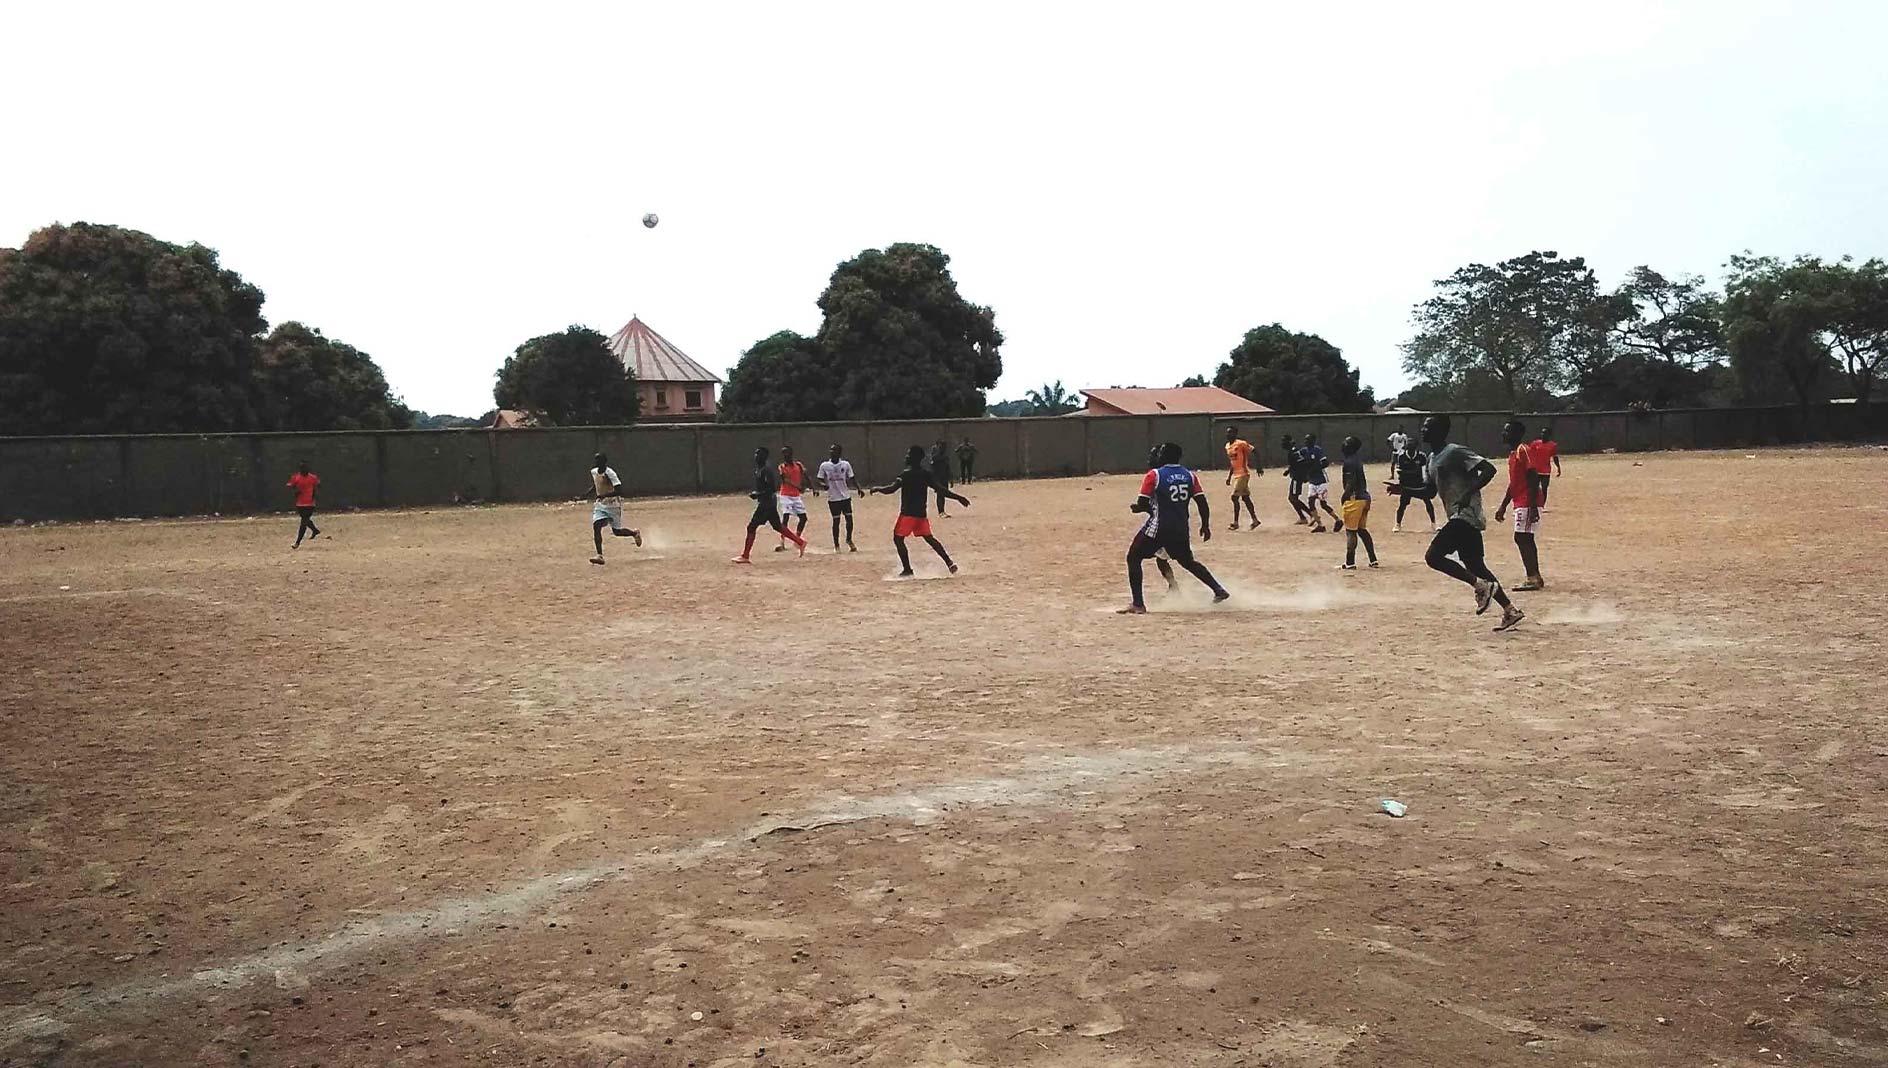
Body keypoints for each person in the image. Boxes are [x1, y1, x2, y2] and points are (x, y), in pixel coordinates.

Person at [1420, 415, 1524, 632]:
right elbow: (1429, 491)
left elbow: (1488, 469)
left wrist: (1469, 491)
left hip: (1466, 515)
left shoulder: (1455, 452)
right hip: (1458, 516)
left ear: (1440, 431)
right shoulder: (1430, 459)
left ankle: (1479, 585)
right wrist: (1404, 490)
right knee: (1476, 566)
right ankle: (1510, 610)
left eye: (1427, 427)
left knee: (1433, 557)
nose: (1422, 430)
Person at [1118, 442, 1230, 614]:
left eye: (1161, 452)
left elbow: (1143, 502)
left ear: (1165, 456)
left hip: (1160, 526)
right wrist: (1205, 525)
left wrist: (1140, 508)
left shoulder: (1154, 475)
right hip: (1181, 527)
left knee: (1133, 557)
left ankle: (1138, 604)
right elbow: (1202, 502)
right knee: (1187, 561)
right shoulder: (1189, 476)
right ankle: (1218, 589)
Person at [873, 445, 968, 576]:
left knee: (898, 538)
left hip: (908, 514)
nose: (905, 456)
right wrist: (958, 498)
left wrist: (878, 488)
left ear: (913, 458)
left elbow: (891, 489)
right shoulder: (926, 474)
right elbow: (941, 490)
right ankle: (949, 563)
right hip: (921, 515)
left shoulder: (905, 474)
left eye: (908, 454)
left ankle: (907, 569)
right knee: (929, 538)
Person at [1494, 419, 1548, 591]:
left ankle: (1532, 577)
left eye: (1507, 431)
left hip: (1527, 500)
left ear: (1517, 434)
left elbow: (1533, 477)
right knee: (1525, 538)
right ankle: (1535, 576)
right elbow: (1514, 482)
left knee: (1522, 538)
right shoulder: (1513, 454)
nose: (1503, 434)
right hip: (1521, 500)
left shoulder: (1523, 450)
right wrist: (1503, 505)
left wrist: (1532, 506)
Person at [733, 446, 807, 563]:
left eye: (758, 454)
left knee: (751, 527)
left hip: (766, 503)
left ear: (764, 456)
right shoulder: (759, 469)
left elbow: (772, 489)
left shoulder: (766, 470)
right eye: (755, 454)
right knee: (777, 526)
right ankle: (800, 542)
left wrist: (758, 494)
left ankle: (745, 555)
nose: (756, 456)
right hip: (768, 502)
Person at [587, 452, 642, 565]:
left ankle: (634, 533)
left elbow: (619, 490)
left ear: (604, 462)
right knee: (596, 525)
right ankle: (599, 555)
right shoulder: (594, 472)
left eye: (599, 460)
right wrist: (586, 494)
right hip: (601, 505)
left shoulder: (610, 473)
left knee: (617, 531)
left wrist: (604, 495)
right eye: (596, 460)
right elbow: (596, 485)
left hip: (613, 505)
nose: (597, 463)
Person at [1336, 436, 1378, 570]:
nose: (1343, 444)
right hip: (1365, 498)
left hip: (1354, 499)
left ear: (1351, 447)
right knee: (1362, 530)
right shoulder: (1357, 460)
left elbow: (1351, 482)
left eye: (1346, 442)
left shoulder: (1349, 462)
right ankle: (1373, 559)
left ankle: (1350, 562)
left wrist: (1344, 497)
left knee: (1350, 531)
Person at [816, 443, 862, 553]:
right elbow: (819, 479)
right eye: (831, 450)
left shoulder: (845, 464)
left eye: (834, 450)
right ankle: (836, 545)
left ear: (839, 452)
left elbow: (852, 477)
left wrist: (859, 488)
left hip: (845, 496)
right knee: (836, 521)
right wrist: (823, 485)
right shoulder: (824, 465)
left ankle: (849, 539)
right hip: (833, 498)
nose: (831, 452)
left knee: (849, 519)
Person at [1388, 438, 1437, 532]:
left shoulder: (1421, 456)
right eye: (1408, 444)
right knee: (1402, 505)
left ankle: (1433, 524)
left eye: (1412, 444)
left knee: (1428, 502)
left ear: (1416, 446)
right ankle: (1397, 524)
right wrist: (1401, 484)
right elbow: (1400, 471)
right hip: (1407, 485)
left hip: (1420, 484)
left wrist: (1425, 481)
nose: (1409, 446)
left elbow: (1424, 470)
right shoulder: (1401, 456)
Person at [773, 445, 812, 552]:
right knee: (786, 516)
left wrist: (812, 487)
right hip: (785, 495)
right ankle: (782, 542)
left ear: (791, 453)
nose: (785, 455)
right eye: (783, 453)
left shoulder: (798, 465)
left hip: (795, 496)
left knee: (803, 518)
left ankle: (796, 539)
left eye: (786, 453)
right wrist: (798, 486)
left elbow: (806, 475)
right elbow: (784, 480)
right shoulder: (782, 467)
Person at [1301, 433, 1341, 534]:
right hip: (1312, 481)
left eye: (1308, 440)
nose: (1306, 442)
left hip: (1321, 481)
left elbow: (1325, 462)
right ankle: (1320, 525)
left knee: (1323, 504)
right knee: (1310, 502)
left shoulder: (1317, 450)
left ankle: (1338, 520)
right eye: (1305, 440)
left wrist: (1315, 468)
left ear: (1313, 441)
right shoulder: (1304, 451)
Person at [1223, 425, 1261, 530]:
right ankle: (1255, 520)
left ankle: (1236, 523)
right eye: (1227, 432)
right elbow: (1233, 462)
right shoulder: (1227, 446)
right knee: (1245, 498)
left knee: (1234, 497)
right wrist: (1229, 476)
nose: (1228, 434)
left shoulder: (1241, 444)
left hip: (1243, 474)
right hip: (1236, 475)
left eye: (1230, 432)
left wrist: (1259, 466)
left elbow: (1255, 451)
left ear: (1235, 434)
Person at [287, 461, 321, 547]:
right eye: (302, 468)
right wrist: (295, 491)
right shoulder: (296, 477)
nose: (304, 470)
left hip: (310, 504)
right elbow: (290, 486)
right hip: (300, 503)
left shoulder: (313, 478)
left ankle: (297, 542)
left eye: (305, 468)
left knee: (303, 522)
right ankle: (315, 530)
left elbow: (318, 486)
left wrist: (314, 495)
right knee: (305, 519)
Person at [1280, 434, 1311, 525]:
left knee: (1293, 498)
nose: (1282, 444)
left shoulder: (1294, 451)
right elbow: (1295, 463)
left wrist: (1304, 475)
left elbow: (1301, 462)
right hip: (1296, 476)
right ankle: (1303, 517)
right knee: (1292, 498)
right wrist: (1289, 470)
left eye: (1283, 441)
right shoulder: (1292, 450)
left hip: (1297, 477)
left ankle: (1310, 514)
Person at [1532, 425, 1562, 494]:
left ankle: (1542, 504)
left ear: (1549, 435)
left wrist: (1558, 467)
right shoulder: (1535, 443)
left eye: (1545, 433)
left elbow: (1555, 457)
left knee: (1544, 488)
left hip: (1545, 471)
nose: (1543, 434)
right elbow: (1530, 454)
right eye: (1542, 433)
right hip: (1535, 470)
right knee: (1534, 488)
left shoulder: (1552, 445)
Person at [928, 439, 955, 517]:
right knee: (940, 494)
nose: (943, 448)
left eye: (944, 447)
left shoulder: (945, 457)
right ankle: (941, 512)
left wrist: (951, 478)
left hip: (944, 478)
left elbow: (948, 468)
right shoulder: (935, 457)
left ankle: (942, 511)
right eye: (941, 447)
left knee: (943, 494)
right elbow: (932, 467)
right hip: (937, 478)